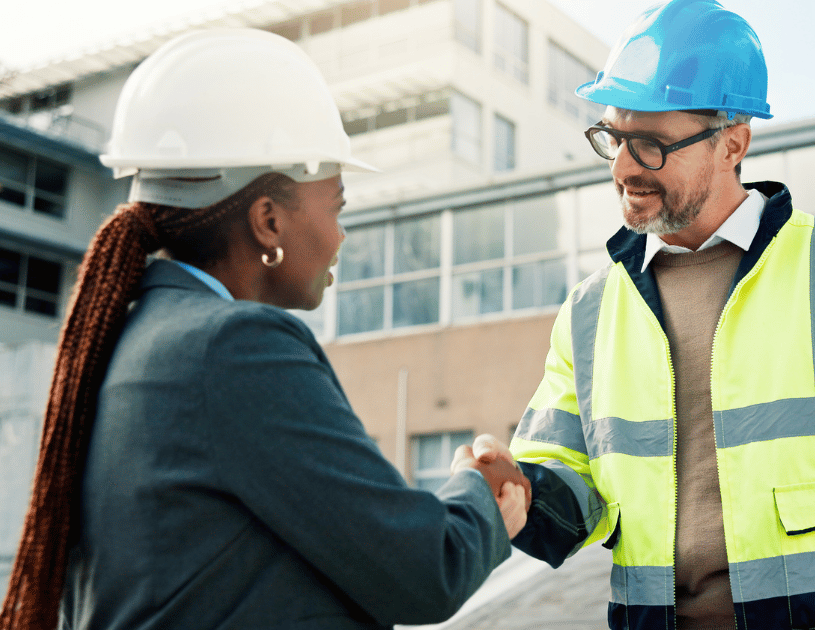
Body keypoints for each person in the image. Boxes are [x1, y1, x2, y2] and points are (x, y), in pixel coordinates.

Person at [469, 0, 815, 628]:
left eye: (650, 145)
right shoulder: (589, 312)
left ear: (732, 144)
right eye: (614, 138)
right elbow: (572, 490)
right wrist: (522, 495)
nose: (621, 168)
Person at [0, 29, 529, 630]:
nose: (340, 237)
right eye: (337, 206)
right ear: (269, 220)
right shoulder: (233, 348)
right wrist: (481, 493)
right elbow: (428, 569)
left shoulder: (128, 337)